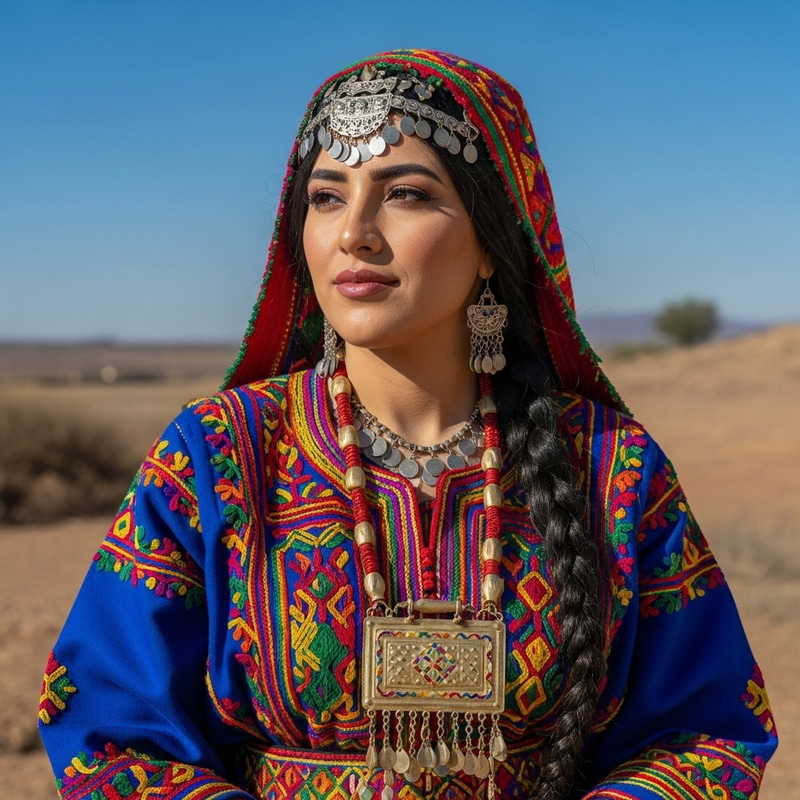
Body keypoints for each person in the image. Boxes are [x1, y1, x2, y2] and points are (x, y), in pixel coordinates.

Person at [38, 49, 777, 800]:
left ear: (491, 242)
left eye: (406, 194)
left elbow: (706, 734)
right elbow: (109, 729)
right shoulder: (218, 455)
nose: (354, 232)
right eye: (326, 198)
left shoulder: (611, 468)